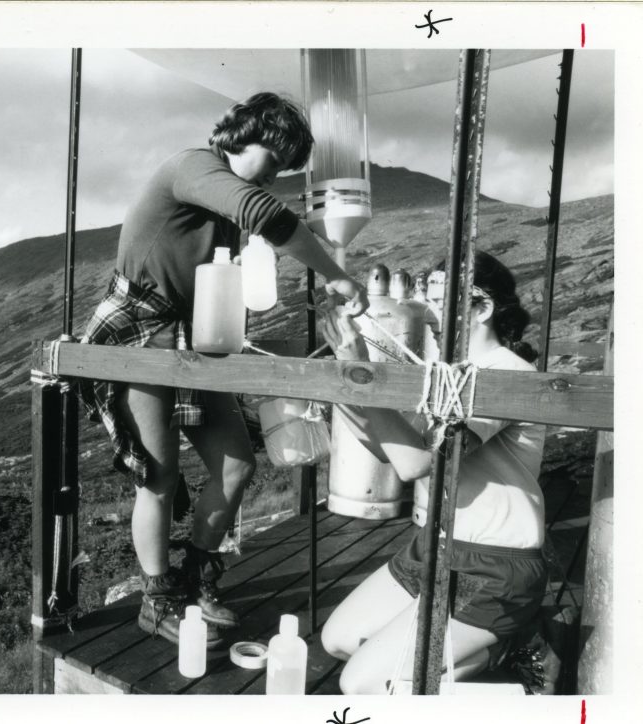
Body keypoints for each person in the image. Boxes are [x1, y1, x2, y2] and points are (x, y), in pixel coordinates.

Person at [80, 92, 368, 647]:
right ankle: (157, 599)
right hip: (142, 332)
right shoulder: (194, 168)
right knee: (158, 478)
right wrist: (335, 275)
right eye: (277, 159)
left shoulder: (227, 200)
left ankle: (192, 581)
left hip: (193, 339)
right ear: (248, 135)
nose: (277, 175)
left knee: (236, 464)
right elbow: (266, 215)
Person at [319, 251, 547, 694]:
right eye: (428, 296)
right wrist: (350, 375)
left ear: (482, 309)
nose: (427, 310)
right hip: (440, 546)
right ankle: (479, 651)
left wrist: (361, 365)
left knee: (364, 685)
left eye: (440, 299)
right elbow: (384, 448)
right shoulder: (450, 374)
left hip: (495, 567)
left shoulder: (505, 374)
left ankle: (511, 674)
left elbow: (414, 463)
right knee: (338, 640)